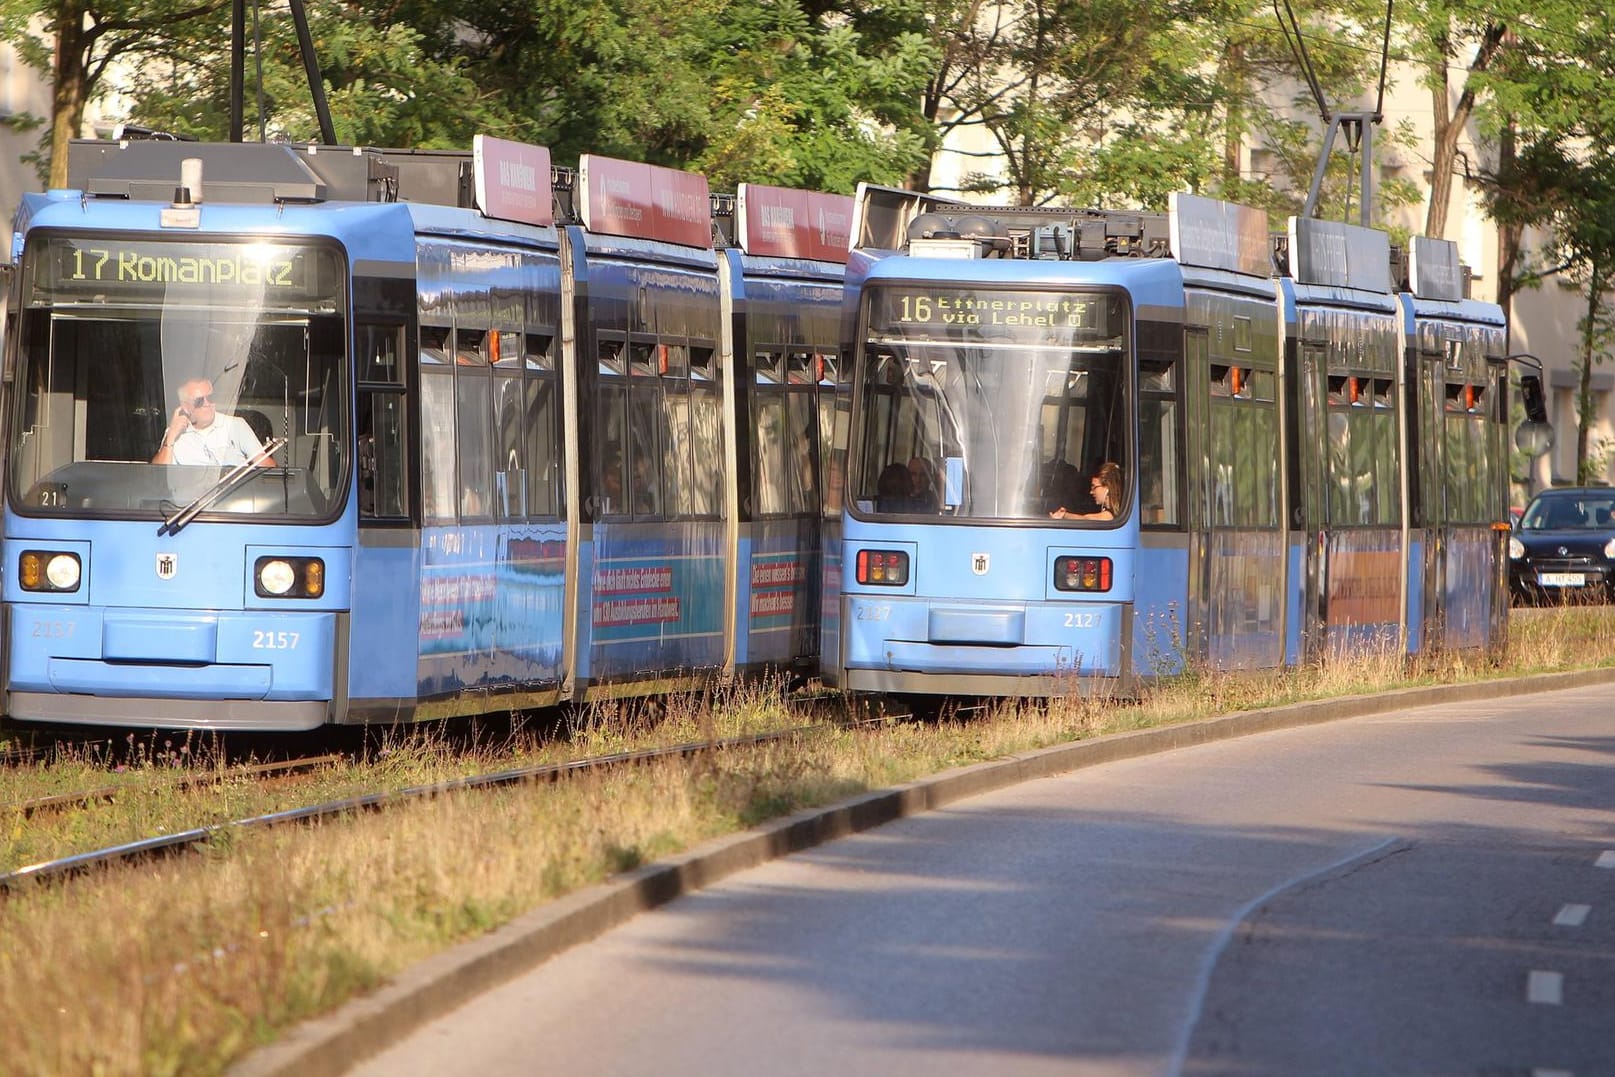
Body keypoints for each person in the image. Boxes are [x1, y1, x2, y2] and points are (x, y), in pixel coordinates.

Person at [152, 376, 275, 467]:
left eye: (211, 398)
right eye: (199, 401)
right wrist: (171, 437)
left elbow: (265, 464)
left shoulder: (236, 425)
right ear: (185, 406)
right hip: (192, 501)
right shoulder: (174, 434)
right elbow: (158, 478)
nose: (207, 404)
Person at [1052, 461, 1121, 521]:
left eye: (1094, 487)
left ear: (1107, 487)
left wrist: (1064, 515)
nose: (1091, 492)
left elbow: (1086, 519)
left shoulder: (1109, 516)